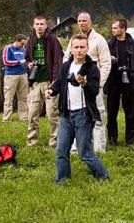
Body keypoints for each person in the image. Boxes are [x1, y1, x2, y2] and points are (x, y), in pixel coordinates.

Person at [45, 34, 110, 183]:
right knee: (61, 151)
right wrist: (51, 90)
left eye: (82, 47)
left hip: (84, 114)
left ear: (87, 48)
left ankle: (103, 177)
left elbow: (94, 91)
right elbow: (59, 83)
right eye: (76, 47)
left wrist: (84, 83)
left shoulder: (92, 68)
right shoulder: (66, 66)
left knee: (84, 153)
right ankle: (62, 180)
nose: (79, 50)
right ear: (71, 49)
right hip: (66, 114)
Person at [63, 12, 111, 153]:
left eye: (84, 20)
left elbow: (106, 63)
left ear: (90, 22)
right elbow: (66, 60)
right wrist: (69, 79)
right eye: (79, 21)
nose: (82, 23)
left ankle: (99, 148)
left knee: (98, 115)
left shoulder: (99, 40)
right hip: (75, 84)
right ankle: (76, 146)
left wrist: (98, 83)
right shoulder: (74, 40)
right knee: (77, 114)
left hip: (93, 83)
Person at [106, 19, 134, 146]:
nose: (112, 30)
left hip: (129, 81)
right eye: (112, 28)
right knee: (112, 112)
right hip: (113, 81)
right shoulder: (109, 44)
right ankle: (112, 138)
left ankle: (130, 140)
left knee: (130, 113)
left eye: (115, 28)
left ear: (123, 29)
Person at [25, 15, 63, 148]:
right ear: (33, 25)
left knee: (52, 114)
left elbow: (58, 61)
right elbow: (27, 58)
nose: (40, 26)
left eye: (42, 24)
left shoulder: (52, 40)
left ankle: (55, 142)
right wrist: (29, 64)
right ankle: (32, 141)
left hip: (49, 81)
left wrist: (55, 81)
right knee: (32, 114)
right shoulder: (31, 40)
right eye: (37, 24)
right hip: (35, 82)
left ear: (46, 25)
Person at [1, 34, 29, 122]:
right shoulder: (8, 48)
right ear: (16, 41)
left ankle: (24, 117)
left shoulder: (24, 50)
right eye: (21, 43)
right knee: (9, 97)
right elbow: (6, 61)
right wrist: (19, 62)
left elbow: (26, 61)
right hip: (11, 75)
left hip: (23, 74)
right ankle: (6, 119)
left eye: (24, 44)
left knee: (24, 97)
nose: (23, 46)